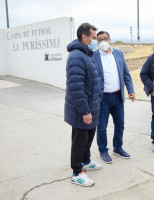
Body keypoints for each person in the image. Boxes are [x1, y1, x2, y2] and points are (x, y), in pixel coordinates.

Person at [64, 23, 102, 187]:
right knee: (79, 141)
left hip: (91, 106)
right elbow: (76, 88)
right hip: (82, 109)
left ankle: (86, 161)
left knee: (89, 136)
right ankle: (76, 173)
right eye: (93, 38)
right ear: (84, 37)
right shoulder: (77, 56)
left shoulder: (87, 54)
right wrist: (85, 111)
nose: (96, 41)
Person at [93, 31, 135, 164]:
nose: (102, 41)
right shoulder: (93, 56)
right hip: (102, 98)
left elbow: (126, 74)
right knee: (102, 127)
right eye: (99, 40)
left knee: (120, 124)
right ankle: (103, 150)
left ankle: (118, 148)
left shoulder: (118, 53)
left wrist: (130, 90)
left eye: (105, 39)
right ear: (97, 42)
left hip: (117, 96)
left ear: (110, 40)